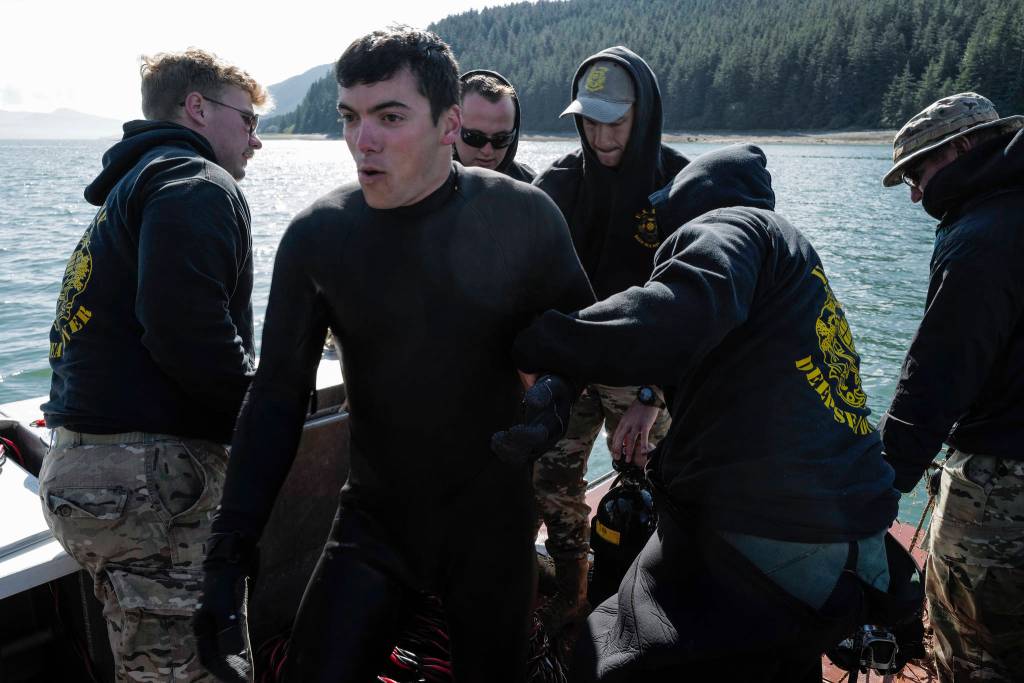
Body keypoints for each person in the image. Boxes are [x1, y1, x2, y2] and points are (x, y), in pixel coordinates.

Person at [193, 27, 594, 683]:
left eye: (389, 116)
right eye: (350, 116)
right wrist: (227, 555)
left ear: (448, 124)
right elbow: (275, 399)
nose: (362, 140)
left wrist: (553, 395)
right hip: (378, 521)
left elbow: (578, 333)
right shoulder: (321, 236)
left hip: (491, 525)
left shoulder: (525, 217)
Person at [511, 144, 900, 681]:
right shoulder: (795, 260)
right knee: (783, 658)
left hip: (772, 539)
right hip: (857, 544)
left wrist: (536, 342)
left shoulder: (729, 226)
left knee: (608, 650)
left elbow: (671, 316)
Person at [37, 48, 267, 681]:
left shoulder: (129, 192)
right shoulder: (194, 183)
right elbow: (185, 328)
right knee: (197, 669)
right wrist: (261, 418)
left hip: (84, 475)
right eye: (247, 120)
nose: (256, 140)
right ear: (197, 108)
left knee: (149, 665)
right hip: (154, 484)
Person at [530, 45, 687, 625]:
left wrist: (650, 398)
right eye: (587, 122)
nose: (599, 137)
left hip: (642, 377)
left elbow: (690, 310)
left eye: (613, 121)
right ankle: (573, 593)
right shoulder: (558, 185)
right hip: (569, 372)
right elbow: (528, 291)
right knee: (551, 482)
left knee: (662, 489)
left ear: (643, 115)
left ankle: (656, 606)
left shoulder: (679, 186)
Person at [878, 92, 1024, 682]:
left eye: (918, 170)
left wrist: (879, 483)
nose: (915, 193)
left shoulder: (980, 235)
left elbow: (936, 377)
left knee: (972, 649)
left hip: (1001, 482)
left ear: (964, 148)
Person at [453, 69, 535, 182]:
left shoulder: (533, 189)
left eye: (501, 139)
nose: (487, 151)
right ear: (452, 126)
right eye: (475, 138)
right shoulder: (424, 187)